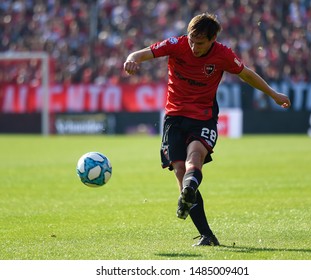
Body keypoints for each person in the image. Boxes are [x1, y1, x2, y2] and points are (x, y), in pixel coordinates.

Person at [123, 13, 291, 246]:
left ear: (213, 39)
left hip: (203, 117)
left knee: (195, 156)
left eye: (200, 43)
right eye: (191, 40)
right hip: (174, 117)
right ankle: (206, 233)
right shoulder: (176, 44)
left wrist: (273, 94)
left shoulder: (223, 55)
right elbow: (140, 53)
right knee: (180, 170)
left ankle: (192, 196)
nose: (193, 46)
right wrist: (132, 59)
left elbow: (247, 75)